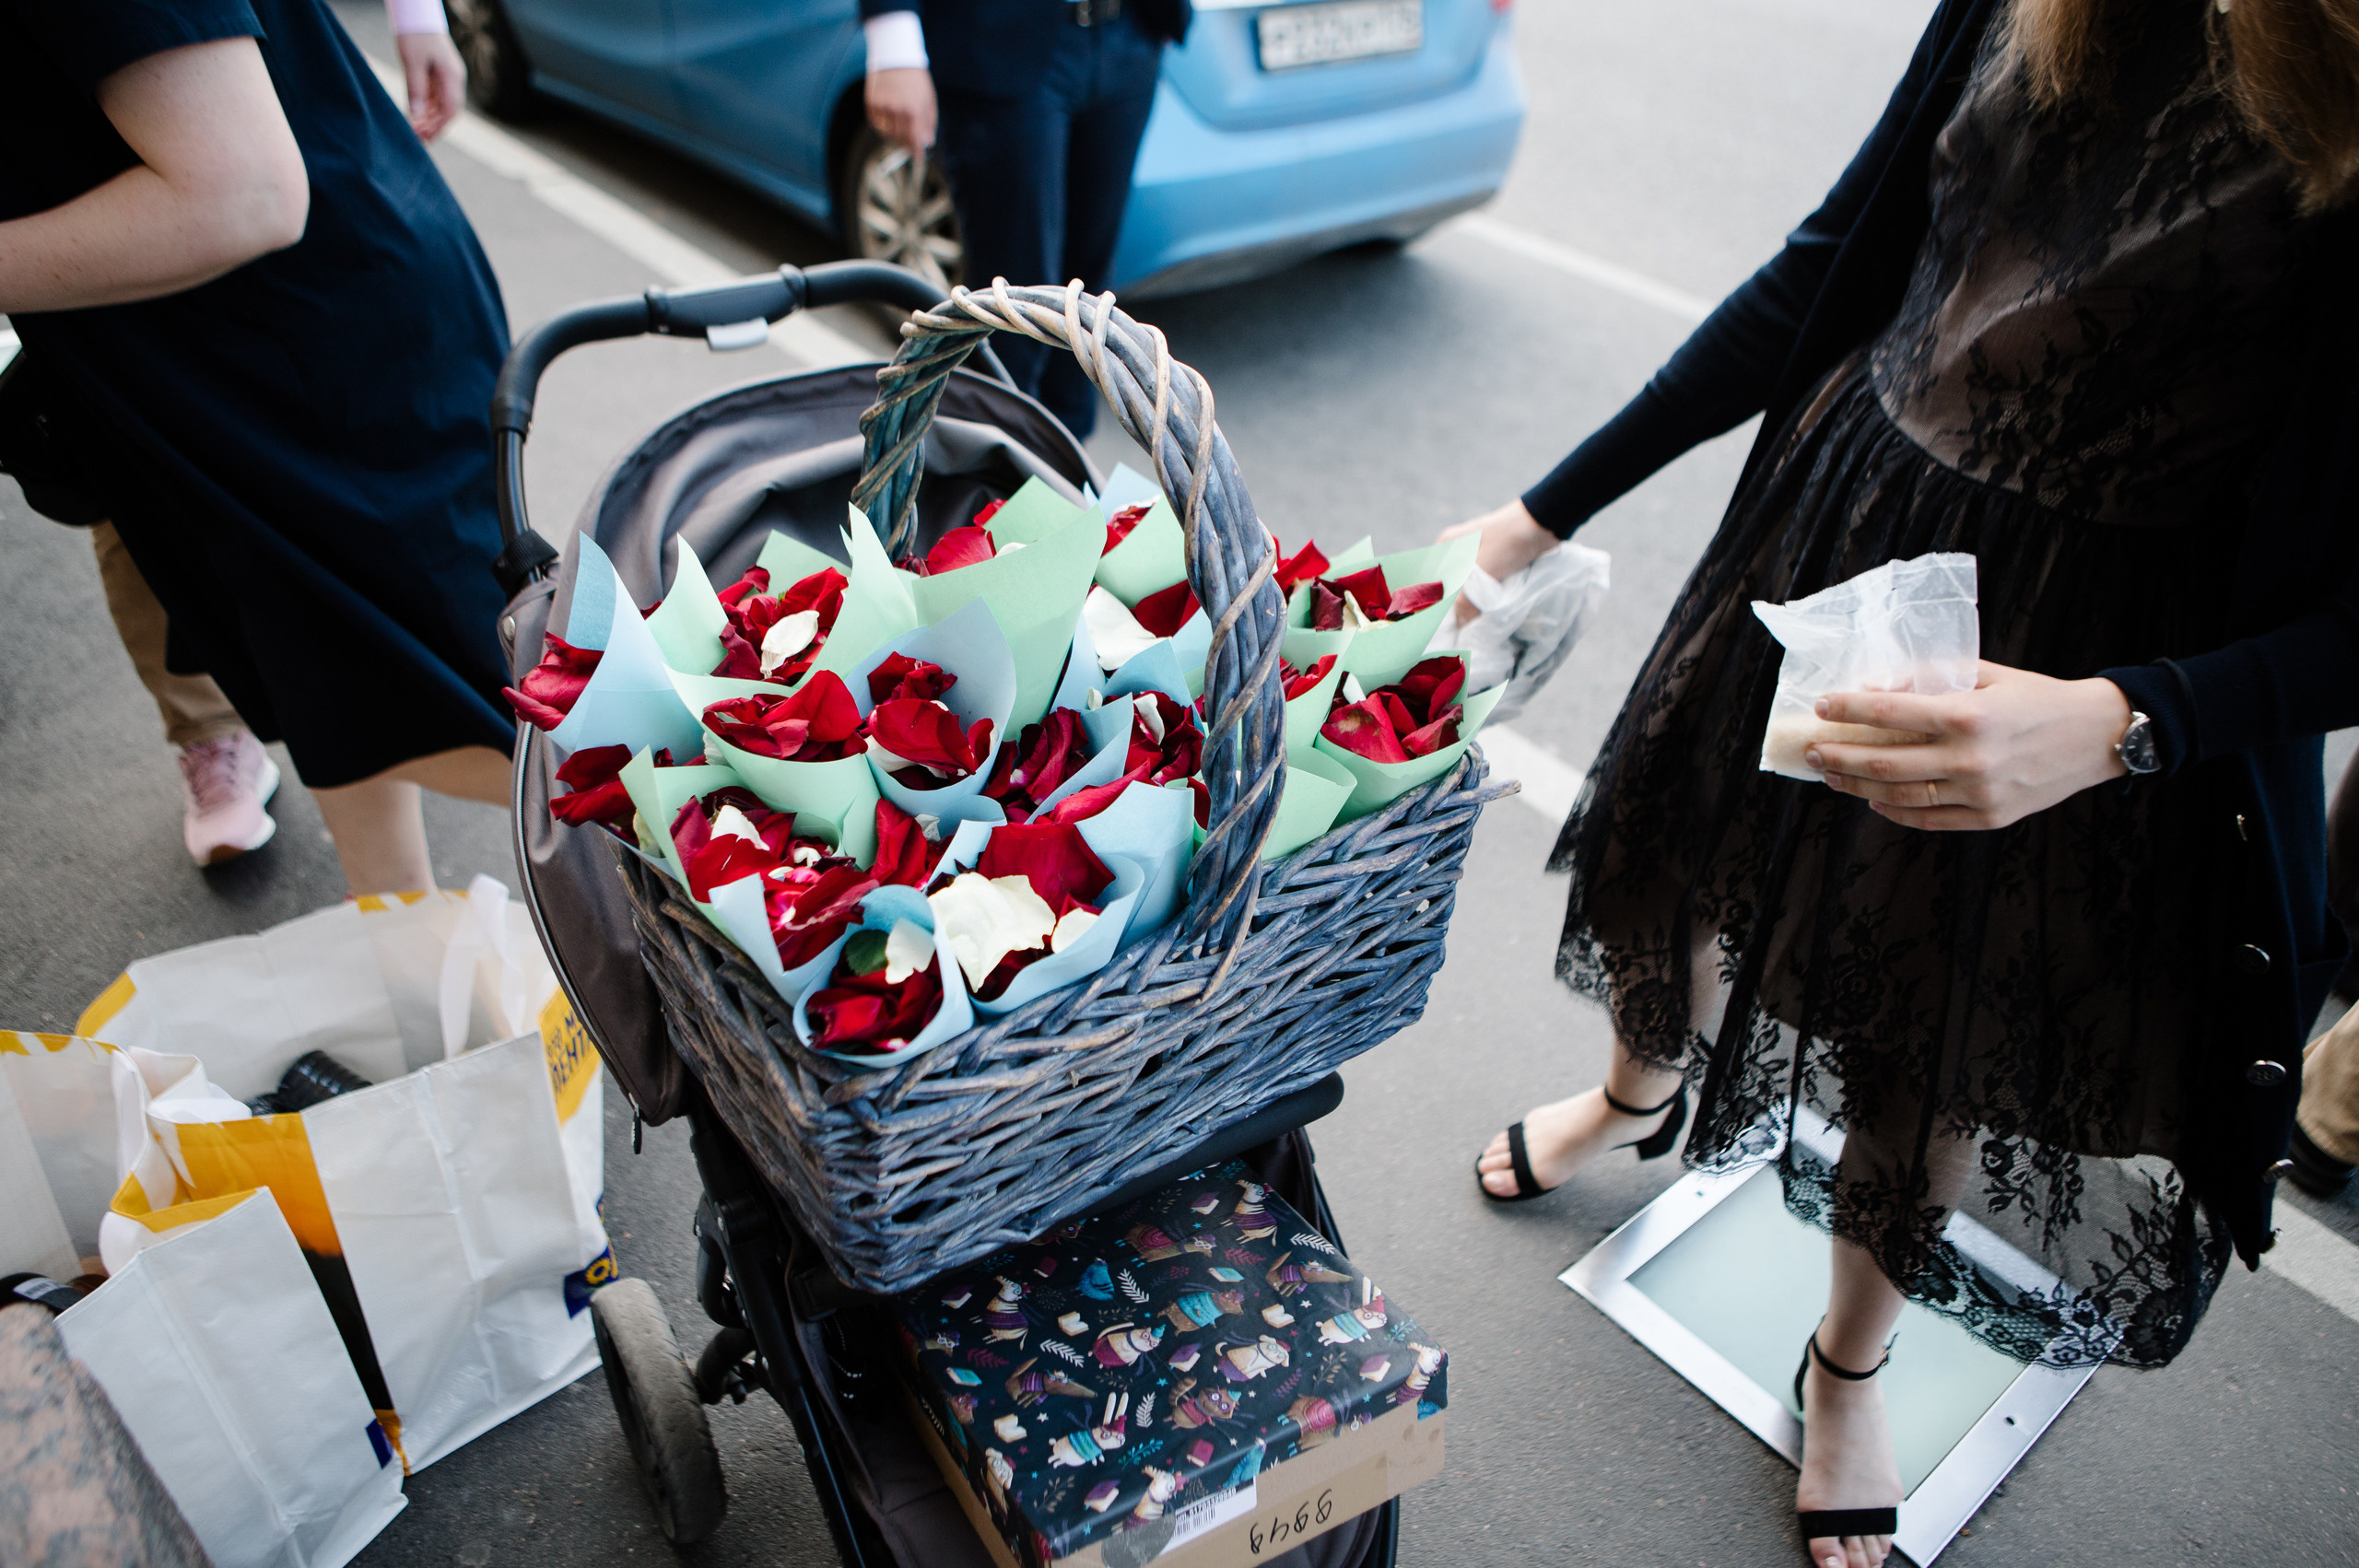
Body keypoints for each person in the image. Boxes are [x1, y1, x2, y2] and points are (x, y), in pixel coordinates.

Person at [1452, 2, 2359, 1564]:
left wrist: (2128, 720)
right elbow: (1833, 262)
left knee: (1915, 1032)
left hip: (2073, 654)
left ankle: (1846, 1361)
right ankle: (1632, 1089)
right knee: (1674, 855)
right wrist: (1538, 514)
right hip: (1841, 515)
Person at [0, 0, 514, 899]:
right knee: (344, 715)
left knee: (497, 734)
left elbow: (243, 194)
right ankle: (423, 1016)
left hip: (306, 361)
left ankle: (793, 911)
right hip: (230, 361)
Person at [858, 0, 1190, 439]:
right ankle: (995, 484)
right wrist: (892, 33)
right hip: (1002, 40)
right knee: (1013, 301)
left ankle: (1065, 479)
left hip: (1132, 30)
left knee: (1091, 302)